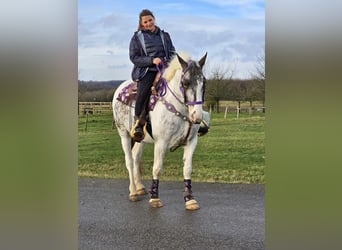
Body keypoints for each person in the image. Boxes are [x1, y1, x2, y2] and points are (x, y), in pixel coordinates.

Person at [129, 9, 176, 142]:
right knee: (143, 92)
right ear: (142, 24)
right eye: (145, 22)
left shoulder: (165, 35)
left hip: (165, 68)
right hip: (148, 70)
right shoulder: (137, 37)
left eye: (150, 20)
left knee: (184, 83)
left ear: (154, 19)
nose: (148, 23)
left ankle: (193, 117)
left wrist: (173, 62)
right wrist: (151, 60)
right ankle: (138, 122)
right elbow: (134, 58)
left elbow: (172, 52)